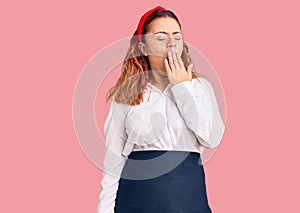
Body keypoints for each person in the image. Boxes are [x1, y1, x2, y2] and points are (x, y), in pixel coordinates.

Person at [97, 5, 225, 213]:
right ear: (143, 48)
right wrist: (105, 209)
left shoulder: (200, 87)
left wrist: (183, 88)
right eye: (161, 37)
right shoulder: (127, 94)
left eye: (177, 36)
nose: (171, 43)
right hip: (136, 197)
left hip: (187, 197)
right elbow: (113, 160)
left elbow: (211, 138)